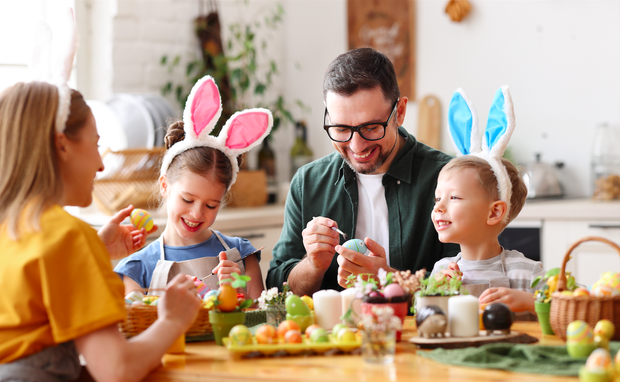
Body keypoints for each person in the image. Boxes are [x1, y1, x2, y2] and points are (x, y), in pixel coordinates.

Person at [0, 81, 202, 382]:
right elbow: (117, 371)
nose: (101, 165)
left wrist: (94, 250)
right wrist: (173, 320)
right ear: (62, 146)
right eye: (96, 143)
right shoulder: (65, 235)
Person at [266, 48, 460, 296]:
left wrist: (388, 280)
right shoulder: (308, 183)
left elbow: (468, 283)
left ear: (399, 112)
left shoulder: (447, 177)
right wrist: (312, 265)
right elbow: (275, 291)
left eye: (370, 127)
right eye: (341, 128)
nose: (356, 147)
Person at [114, 75, 271, 300]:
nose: (197, 213)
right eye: (188, 200)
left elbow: (263, 325)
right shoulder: (138, 268)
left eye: (211, 205)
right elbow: (137, 330)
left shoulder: (240, 256)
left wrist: (238, 294)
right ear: (164, 186)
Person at [430, 86, 545, 320]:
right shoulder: (442, 271)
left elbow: (570, 310)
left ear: (494, 213)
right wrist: (436, 293)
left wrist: (531, 302)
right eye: (437, 198)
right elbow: (428, 322)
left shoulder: (527, 272)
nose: (438, 207)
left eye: (454, 197)